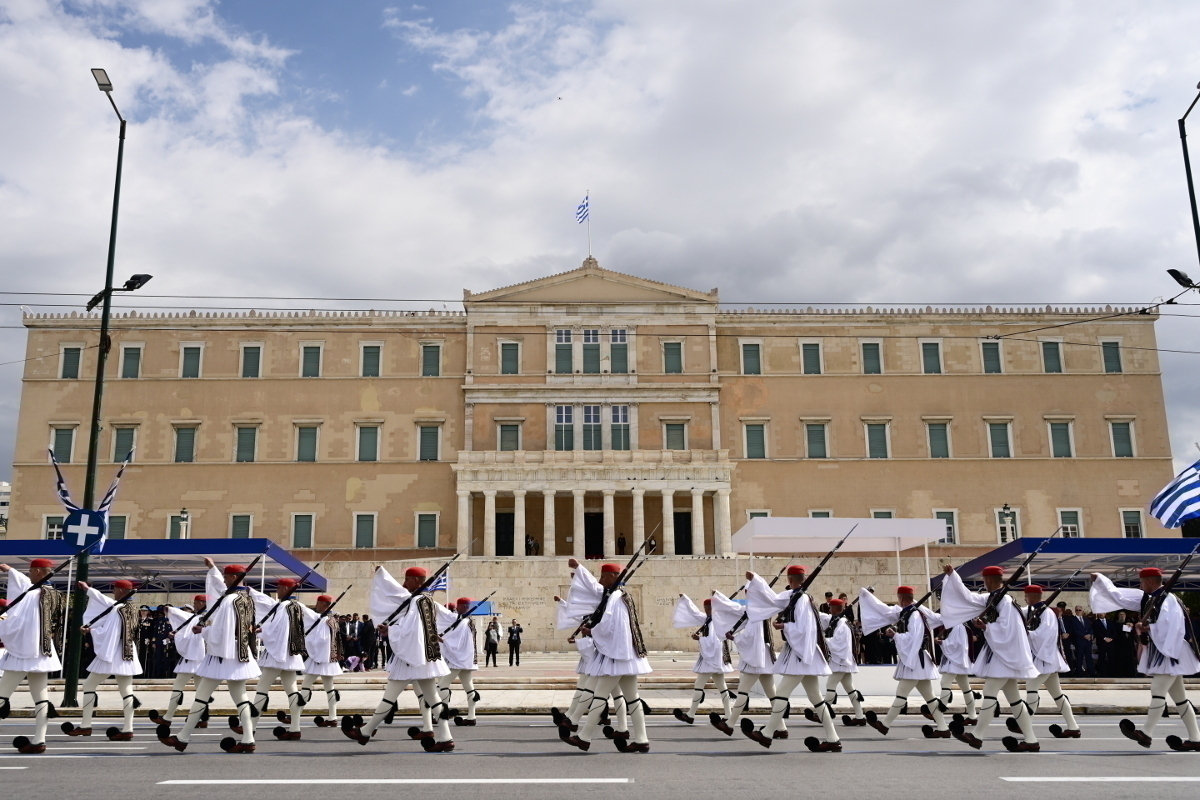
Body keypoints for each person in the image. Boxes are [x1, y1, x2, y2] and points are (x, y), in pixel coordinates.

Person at [342, 566, 455, 752]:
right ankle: (446, 738)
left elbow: (410, 630)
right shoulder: (427, 600)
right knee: (434, 699)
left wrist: (390, 630)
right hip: (426, 657)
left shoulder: (417, 601)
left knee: (390, 697)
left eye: (407, 579)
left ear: (417, 580)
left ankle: (365, 732)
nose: (404, 583)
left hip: (411, 657)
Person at [158, 558, 262, 753]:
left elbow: (221, 631)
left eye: (226, 577)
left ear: (233, 577)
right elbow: (220, 588)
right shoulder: (247, 599)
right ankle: (248, 739)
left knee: (201, 697)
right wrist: (213, 568)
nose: (224, 580)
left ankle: (182, 738)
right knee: (241, 698)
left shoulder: (229, 601)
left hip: (223, 654)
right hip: (240, 654)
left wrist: (203, 631)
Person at [1091, 567, 1200, 751]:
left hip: (1170, 651)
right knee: (1180, 699)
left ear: (1149, 581)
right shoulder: (1150, 598)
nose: (1140, 586)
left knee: (1158, 690)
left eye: (1141, 582)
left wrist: (1149, 628)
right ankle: (1196, 739)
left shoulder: (1168, 599)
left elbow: (1172, 625)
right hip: (1164, 649)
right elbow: (1121, 598)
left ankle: (1146, 733)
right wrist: (1101, 580)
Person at [940, 564, 1040, 753]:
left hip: (1004, 654)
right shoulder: (993, 598)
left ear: (989, 580)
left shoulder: (1005, 601)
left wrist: (986, 627)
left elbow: (1009, 629)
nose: (983, 583)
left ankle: (977, 735)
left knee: (990, 692)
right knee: (1015, 700)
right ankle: (1031, 740)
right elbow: (967, 597)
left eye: (984, 580)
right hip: (1000, 652)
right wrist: (953, 575)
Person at [742, 566, 841, 753]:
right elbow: (772, 599)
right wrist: (756, 580)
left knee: (781, 693)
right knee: (817, 699)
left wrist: (784, 627)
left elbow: (804, 629)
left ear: (789, 580)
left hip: (800, 654)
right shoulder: (795, 596)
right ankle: (833, 739)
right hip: (803, 653)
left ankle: (767, 733)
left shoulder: (801, 600)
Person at [560, 559, 651, 753]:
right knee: (633, 699)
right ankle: (642, 740)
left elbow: (611, 625)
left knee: (600, 696)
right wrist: (579, 569)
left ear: (613, 577)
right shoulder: (619, 595)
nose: (600, 580)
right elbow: (594, 588)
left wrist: (592, 632)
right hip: (626, 656)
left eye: (603, 577)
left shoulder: (616, 598)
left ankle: (584, 737)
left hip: (617, 656)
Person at [859, 586, 950, 739]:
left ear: (901, 597)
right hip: (917, 660)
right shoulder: (910, 612)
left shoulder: (914, 615)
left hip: (915, 660)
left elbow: (914, 638)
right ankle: (943, 728)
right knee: (930, 697)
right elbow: (885, 611)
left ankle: (885, 724)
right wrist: (867, 596)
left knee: (901, 693)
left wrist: (895, 635)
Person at [0, 558, 67, 754]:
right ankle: (39, 740)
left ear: (37, 572)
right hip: (43, 651)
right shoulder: (55, 594)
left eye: (31, 572)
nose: (29, 576)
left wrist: (11, 571)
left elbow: (13, 616)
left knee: (2, 694)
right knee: (41, 699)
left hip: (24, 651)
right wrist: (11, 571)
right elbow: (25, 588)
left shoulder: (31, 595)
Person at [63, 579, 143, 741]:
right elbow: (105, 601)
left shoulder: (118, 609)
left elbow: (109, 632)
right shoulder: (132, 609)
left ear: (121, 591)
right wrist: (88, 590)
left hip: (113, 653)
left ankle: (86, 725)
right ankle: (128, 729)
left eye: (115, 589)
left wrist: (90, 631)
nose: (113, 591)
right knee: (127, 691)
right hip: (128, 653)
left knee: (89, 685)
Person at [708, 587, 780, 736]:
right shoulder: (758, 609)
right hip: (764, 656)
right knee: (772, 694)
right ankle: (782, 728)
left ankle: (729, 724)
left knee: (743, 691)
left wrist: (734, 638)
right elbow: (733, 608)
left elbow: (751, 636)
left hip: (756, 656)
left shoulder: (755, 612)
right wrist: (718, 596)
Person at [246, 578, 308, 741]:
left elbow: (276, 628)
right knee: (292, 691)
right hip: (291, 655)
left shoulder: (284, 606)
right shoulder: (296, 606)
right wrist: (252, 592)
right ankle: (295, 728)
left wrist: (260, 630)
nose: (277, 591)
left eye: (279, 588)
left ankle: (250, 728)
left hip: (277, 654)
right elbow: (268, 604)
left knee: (262, 689)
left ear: (286, 589)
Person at [1020, 584, 1080, 739]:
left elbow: (1045, 635)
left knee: (1031, 688)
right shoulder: (1031, 611)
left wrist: (1027, 633)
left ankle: (1025, 725)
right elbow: (1017, 614)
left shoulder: (1047, 613)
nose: (1025, 599)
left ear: (1032, 597)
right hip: (1045, 660)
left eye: (1026, 596)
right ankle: (1073, 727)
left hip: (1045, 659)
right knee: (1057, 694)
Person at [672, 595, 734, 724]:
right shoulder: (708, 619)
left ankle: (691, 715)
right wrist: (686, 599)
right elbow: (695, 612)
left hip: (712, 658)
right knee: (722, 688)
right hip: (712, 658)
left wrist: (699, 639)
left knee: (700, 685)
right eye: (705, 608)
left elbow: (715, 641)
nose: (706, 610)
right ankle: (728, 715)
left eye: (708, 608)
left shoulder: (716, 621)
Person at [150, 596, 208, 729]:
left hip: (192, 658)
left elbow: (186, 620)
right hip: (200, 658)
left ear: (201, 603)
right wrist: (171, 611)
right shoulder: (200, 617)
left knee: (178, 687)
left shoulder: (200, 618)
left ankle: (168, 717)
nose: (194, 605)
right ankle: (203, 718)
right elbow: (185, 618)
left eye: (195, 603)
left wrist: (171, 612)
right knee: (201, 691)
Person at [293, 594, 343, 731]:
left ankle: (296, 715)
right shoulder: (330, 620)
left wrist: (309, 645)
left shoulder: (325, 621)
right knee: (329, 688)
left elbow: (321, 641)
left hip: (320, 659)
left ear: (324, 605)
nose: (316, 605)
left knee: (306, 686)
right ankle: (333, 717)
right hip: (326, 659)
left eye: (318, 603)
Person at [819, 597, 866, 726]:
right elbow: (823, 617)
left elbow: (837, 643)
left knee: (830, 685)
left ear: (835, 609)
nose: (829, 610)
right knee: (850, 688)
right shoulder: (837, 620)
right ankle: (860, 716)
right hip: (843, 660)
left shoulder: (842, 624)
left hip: (840, 660)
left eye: (830, 608)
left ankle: (823, 714)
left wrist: (823, 640)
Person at [438, 597, 481, 726]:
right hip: (467, 660)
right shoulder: (468, 620)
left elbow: (455, 641)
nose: (458, 608)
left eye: (461, 606)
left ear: (461, 606)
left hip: (457, 660)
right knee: (469, 688)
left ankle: (442, 714)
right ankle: (471, 717)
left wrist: (443, 640)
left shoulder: (463, 621)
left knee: (442, 686)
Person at [937, 621, 978, 726]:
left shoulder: (958, 625)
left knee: (945, 683)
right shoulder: (958, 624)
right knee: (966, 688)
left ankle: (938, 715)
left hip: (955, 660)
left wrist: (941, 642)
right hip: (958, 660)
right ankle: (973, 716)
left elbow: (955, 644)